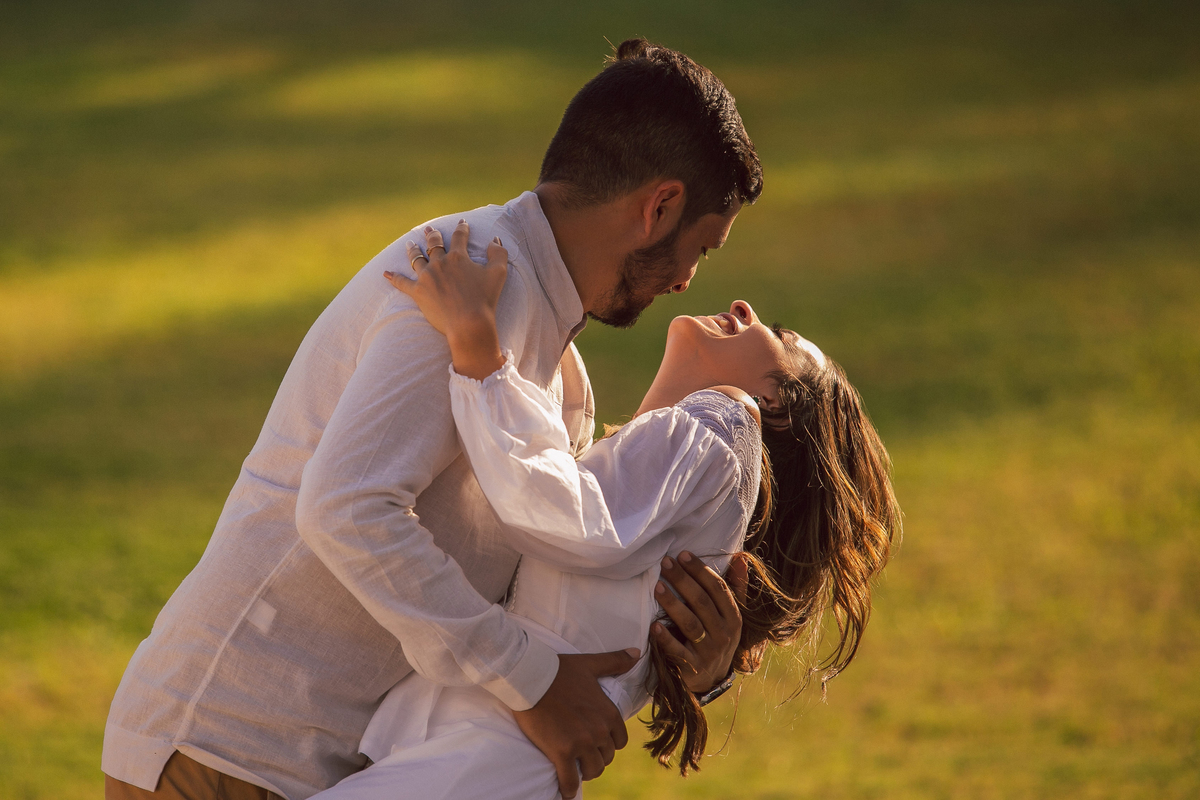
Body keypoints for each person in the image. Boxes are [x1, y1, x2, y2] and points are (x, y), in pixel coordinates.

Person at [102, 38, 763, 800]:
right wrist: (534, 685)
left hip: (334, 767)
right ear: (660, 206)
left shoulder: (555, 370)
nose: (686, 281)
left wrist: (697, 664)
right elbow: (345, 509)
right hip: (227, 750)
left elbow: (560, 588)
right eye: (702, 249)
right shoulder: (456, 274)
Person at [304, 223, 900, 799]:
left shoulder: (721, 425)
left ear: (772, 406)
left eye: (778, 336)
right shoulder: (686, 479)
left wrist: (478, 348)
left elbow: (565, 517)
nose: (744, 307)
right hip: (496, 755)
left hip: (490, 756)